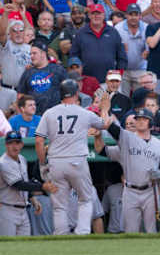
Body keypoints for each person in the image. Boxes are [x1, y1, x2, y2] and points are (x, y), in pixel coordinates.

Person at [34, 79, 107, 235]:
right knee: (86, 199)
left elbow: (39, 141)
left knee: (59, 205)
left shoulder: (49, 113)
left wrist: (42, 163)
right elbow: (104, 124)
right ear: (75, 94)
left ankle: (61, 235)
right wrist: (104, 109)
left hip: (56, 162)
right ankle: (82, 233)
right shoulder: (84, 113)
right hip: (77, 160)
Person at [95, 105, 160, 233]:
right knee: (130, 232)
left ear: (151, 123)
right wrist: (104, 110)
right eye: (138, 118)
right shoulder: (127, 138)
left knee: (152, 231)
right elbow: (109, 129)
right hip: (130, 191)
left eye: (144, 119)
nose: (140, 121)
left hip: (150, 191)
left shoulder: (159, 144)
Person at [0, 131, 58, 236]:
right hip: (7, 210)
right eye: (11, 143)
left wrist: (33, 199)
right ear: (6, 145)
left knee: (25, 245)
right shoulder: (3, 163)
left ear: (22, 144)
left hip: (23, 211)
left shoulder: (22, 159)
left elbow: (25, 181)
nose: (14, 146)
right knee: (7, 247)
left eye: (17, 143)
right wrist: (43, 186)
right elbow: (19, 185)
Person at [69, 4, 128, 83]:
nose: (96, 16)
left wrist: (118, 75)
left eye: (99, 13)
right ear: (89, 16)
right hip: (86, 81)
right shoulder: (81, 33)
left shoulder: (113, 32)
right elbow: (74, 56)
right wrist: (77, 75)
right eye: (93, 14)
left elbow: (122, 57)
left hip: (109, 81)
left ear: (104, 15)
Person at [17, 40, 67, 115]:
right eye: (30, 54)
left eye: (34, 53)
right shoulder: (27, 73)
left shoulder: (58, 70)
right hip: (34, 117)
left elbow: (67, 92)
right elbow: (21, 96)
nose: (31, 56)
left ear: (43, 54)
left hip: (56, 115)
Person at [114, 3, 148, 95]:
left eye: (136, 14)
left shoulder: (146, 27)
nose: (133, 17)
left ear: (140, 16)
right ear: (126, 15)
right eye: (130, 14)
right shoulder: (118, 28)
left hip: (140, 68)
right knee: (123, 98)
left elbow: (149, 49)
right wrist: (120, 49)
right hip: (123, 70)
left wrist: (147, 51)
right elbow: (113, 49)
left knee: (140, 99)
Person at [0, 9, 31, 90]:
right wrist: (5, 15)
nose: (18, 33)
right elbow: (2, 33)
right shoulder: (6, 45)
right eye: (15, 31)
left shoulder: (30, 48)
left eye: (21, 31)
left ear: (24, 33)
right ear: (9, 33)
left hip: (26, 88)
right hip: (9, 88)